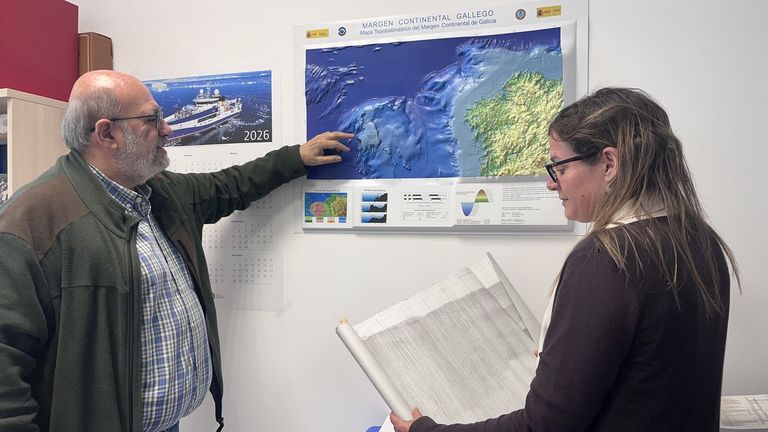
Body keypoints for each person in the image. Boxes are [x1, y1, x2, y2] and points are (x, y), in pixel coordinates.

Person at [0, 70, 352, 432]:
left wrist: (296, 158)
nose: (167, 129)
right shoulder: (32, 221)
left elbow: (229, 185)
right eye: (152, 119)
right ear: (107, 134)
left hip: (168, 423)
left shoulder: (158, 191)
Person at [390, 87, 739, 432]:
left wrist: (426, 431)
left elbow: (545, 426)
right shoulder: (699, 240)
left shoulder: (606, 259)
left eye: (558, 166)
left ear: (608, 164)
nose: (550, 183)